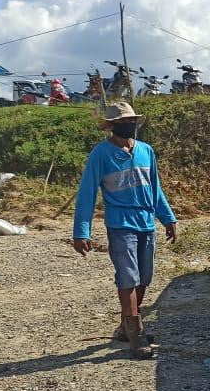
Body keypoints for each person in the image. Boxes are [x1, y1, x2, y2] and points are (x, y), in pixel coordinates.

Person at [73, 102, 178, 359]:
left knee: (144, 278)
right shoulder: (101, 154)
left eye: (130, 120)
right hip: (121, 225)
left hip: (146, 223)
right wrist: (81, 231)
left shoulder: (146, 151)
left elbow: (155, 189)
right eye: (121, 122)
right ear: (110, 126)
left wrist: (168, 218)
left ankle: (125, 325)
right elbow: (87, 194)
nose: (128, 125)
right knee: (128, 277)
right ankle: (136, 334)